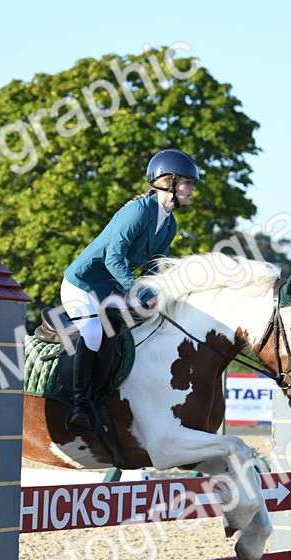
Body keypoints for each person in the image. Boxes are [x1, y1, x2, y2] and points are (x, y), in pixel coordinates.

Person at [58, 148, 201, 434]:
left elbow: (152, 268)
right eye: (188, 183)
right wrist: (141, 294)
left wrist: (157, 294)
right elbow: (114, 259)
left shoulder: (169, 225)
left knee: (139, 330)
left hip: (112, 287)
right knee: (94, 332)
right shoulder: (137, 211)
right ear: (169, 182)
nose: (192, 189)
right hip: (83, 284)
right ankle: (79, 404)